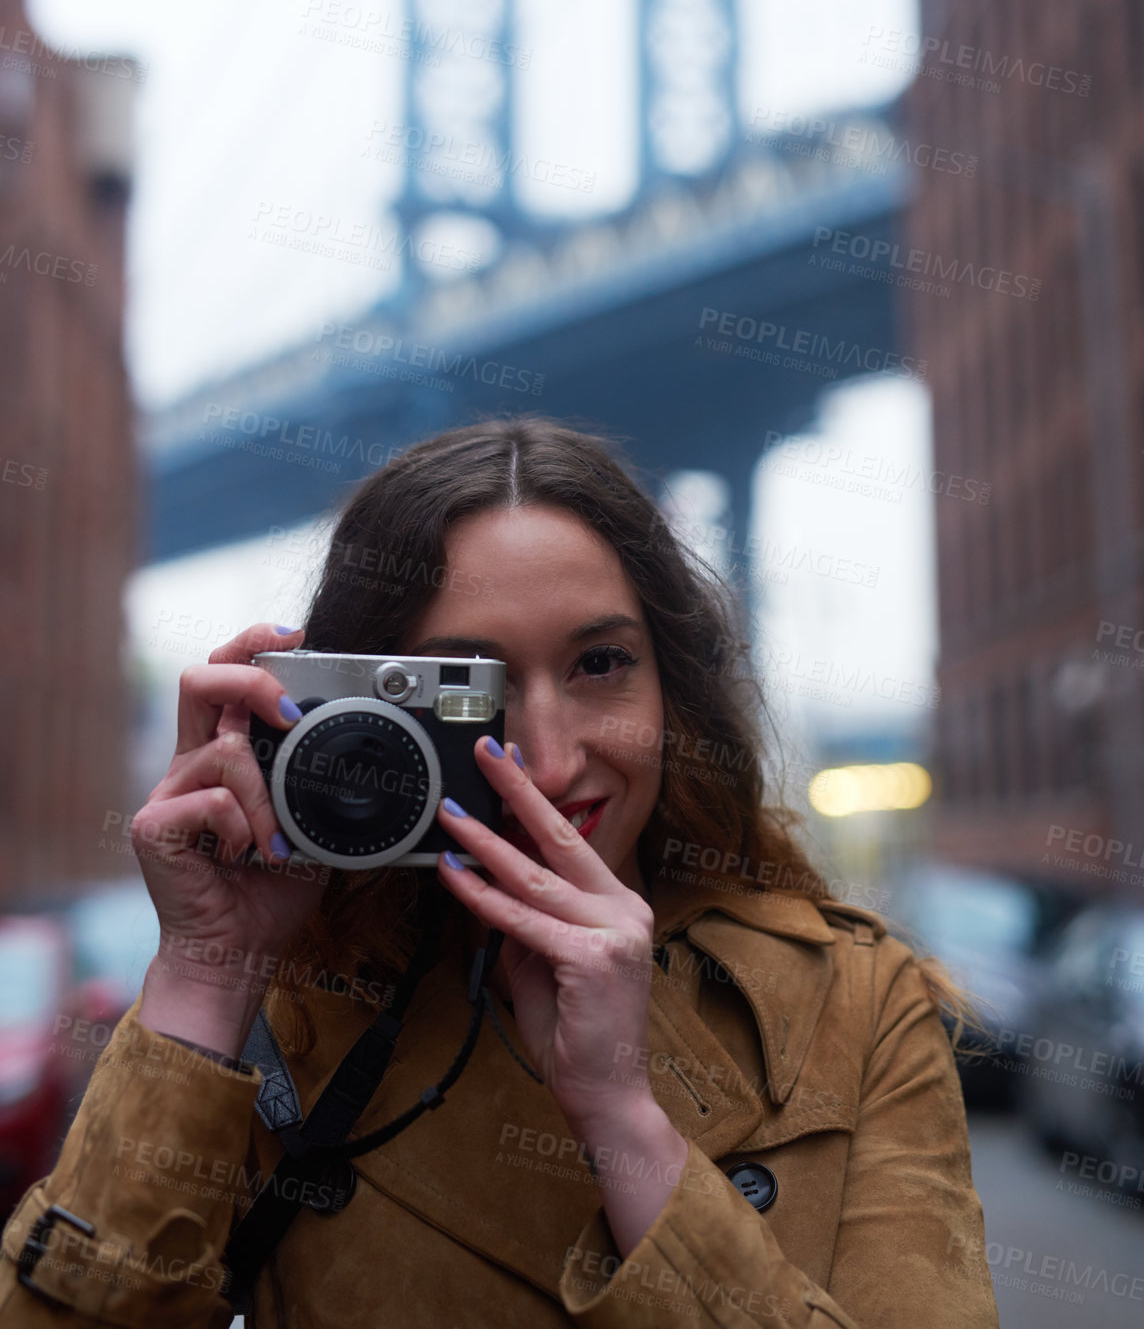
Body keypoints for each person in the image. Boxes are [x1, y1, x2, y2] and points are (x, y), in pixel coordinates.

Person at [0, 415, 1000, 1327]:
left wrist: (622, 1118)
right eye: (467, 693)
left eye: (600, 663)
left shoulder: (853, 1005)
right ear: (369, 713)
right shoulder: (284, 1017)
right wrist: (209, 970)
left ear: (674, 684)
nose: (553, 758)